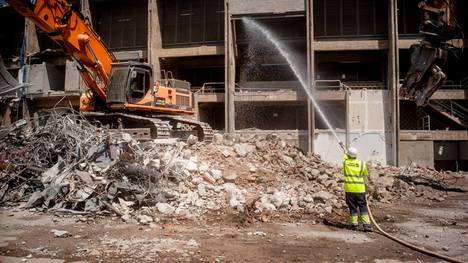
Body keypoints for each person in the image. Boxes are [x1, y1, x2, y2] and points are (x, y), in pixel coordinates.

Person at [342, 147, 372, 232]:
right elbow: (365, 174)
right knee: (363, 206)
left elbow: (344, 157)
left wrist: (345, 152)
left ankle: (354, 225)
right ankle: (367, 225)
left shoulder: (345, 163)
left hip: (349, 189)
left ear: (348, 155)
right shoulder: (362, 163)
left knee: (352, 207)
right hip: (360, 189)